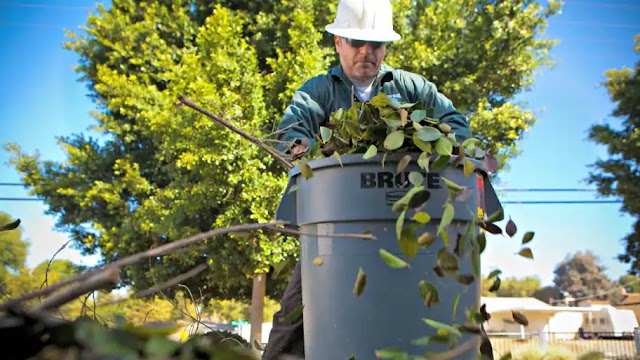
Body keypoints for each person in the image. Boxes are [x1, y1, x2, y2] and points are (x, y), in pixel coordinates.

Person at [263, 0, 471, 358]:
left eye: (375, 45)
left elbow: (457, 125)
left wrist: (432, 141)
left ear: (385, 47)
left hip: (411, 221)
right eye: (356, 43)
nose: (366, 53)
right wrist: (322, 150)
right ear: (338, 43)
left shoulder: (412, 88)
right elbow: (291, 133)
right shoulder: (318, 91)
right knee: (296, 312)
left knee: (459, 306)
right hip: (336, 228)